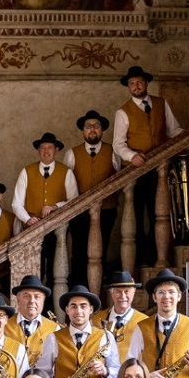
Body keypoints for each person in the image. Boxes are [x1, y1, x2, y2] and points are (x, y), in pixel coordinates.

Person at [111, 65, 184, 267]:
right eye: (132, 83)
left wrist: (187, 138)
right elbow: (118, 144)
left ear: (146, 83)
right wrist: (132, 156)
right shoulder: (123, 111)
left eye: (139, 82)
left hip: (160, 168)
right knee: (137, 214)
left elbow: (174, 129)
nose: (136, 86)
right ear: (128, 87)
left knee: (158, 213)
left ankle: (156, 256)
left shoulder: (161, 103)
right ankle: (141, 259)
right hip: (135, 170)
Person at [11, 133, 79, 284]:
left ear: (56, 151)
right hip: (32, 230)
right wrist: (28, 219)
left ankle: (51, 304)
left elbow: (74, 200)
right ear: (38, 151)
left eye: (50, 148)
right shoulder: (26, 172)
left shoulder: (66, 172)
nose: (46, 151)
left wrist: (56, 206)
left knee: (55, 268)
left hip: (56, 228)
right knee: (34, 269)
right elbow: (16, 203)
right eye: (42, 148)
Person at [64, 109, 119, 282]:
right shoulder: (72, 154)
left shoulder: (114, 151)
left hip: (107, 210)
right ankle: (79, 285)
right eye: (88, 126)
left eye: (96, 126)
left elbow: (120, 178)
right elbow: (66, 183)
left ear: (102, 130)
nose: (92, 129)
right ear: (83, 130)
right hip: (79, 213)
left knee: (101, 249)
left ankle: (98, 284)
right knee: (79, 250)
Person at [6, 274, 60, 368]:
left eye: (37, 297)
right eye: (26, 296)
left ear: (43, 300)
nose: (32, 301)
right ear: (18, 299)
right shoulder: (4, 325)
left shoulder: (54, 329)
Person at [94, 270, 147, 355]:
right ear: (111, 292)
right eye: (118, 291)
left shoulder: (144, 322)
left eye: (127, 291)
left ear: (134, 292)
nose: (123, 296)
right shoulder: (96, 320)